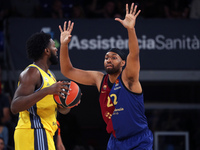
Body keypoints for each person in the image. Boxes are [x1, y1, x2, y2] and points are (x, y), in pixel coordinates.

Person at [59, 3, 153, 150]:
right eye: (106, 57)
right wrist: (64, 45)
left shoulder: (129, 79)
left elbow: (134, 55)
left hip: (138, 139)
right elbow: (67, 71)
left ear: (123, 62)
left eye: (113, 57)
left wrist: (130, 29)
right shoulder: (99, 79)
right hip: (115, 141)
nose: (108, 59)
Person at [10, 32, 73, 150]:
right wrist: (47, 91)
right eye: (54, 46)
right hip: (33, 131)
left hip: (46, 132)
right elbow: (15, 106)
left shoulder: (51, 76)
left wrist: (68, 103)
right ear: (47, 51)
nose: (56, 49)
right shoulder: (32, 72)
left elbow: (61, 110)